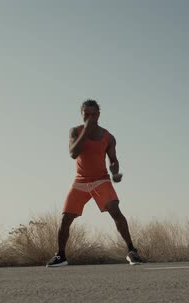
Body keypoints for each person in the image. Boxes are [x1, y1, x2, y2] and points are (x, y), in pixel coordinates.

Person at [46, 99, 143, 267]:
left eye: (93, 114)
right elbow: (73, 153)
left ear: (99, 115)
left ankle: (132, 251)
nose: (90, 117)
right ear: (82, 115)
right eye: (86, 115)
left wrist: (115, 173)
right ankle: (61, 256)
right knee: (65, 219)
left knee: (115, 211)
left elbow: (113, 160)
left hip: (101, 180)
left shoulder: (108, 137)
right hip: (80, 181)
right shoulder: (75, 132)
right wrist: (86, 131)